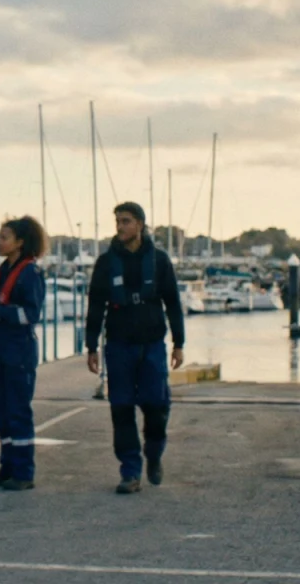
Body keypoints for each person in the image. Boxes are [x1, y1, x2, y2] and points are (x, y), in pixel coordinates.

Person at [85, 202, 184, 493]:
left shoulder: (160, 261)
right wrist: (91, 347)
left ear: (140, 224)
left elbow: (174, 304)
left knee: (157, 408)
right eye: (117, 221)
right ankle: (130, 472)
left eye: (126, 221)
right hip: (119, 346)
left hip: (152, 345)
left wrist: (179, 343)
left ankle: (153, 454)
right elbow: (95, 307)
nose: (120, 226)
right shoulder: (105, 264)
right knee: (121, 409)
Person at [0, 216, 48, 491]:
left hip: (19, 349)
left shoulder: (30, 273)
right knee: (2, 410)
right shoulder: (4, 270)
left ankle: (24, 472)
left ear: (20, 242)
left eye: (4, 237)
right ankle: (8, 466)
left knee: (18, 410)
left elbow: (31, 314)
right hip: (2, 346)